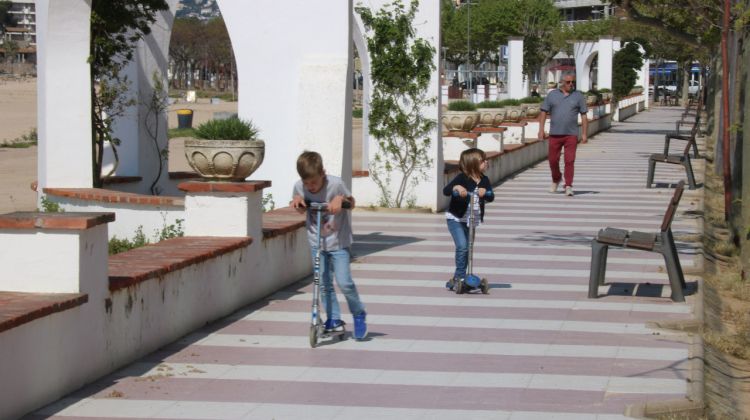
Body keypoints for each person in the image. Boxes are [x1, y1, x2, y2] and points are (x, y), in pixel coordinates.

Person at [291, 151, 367, 340]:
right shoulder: (300, 186)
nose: (311, 187)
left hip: (338, 243)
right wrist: (297, 202)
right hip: (316, 243)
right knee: (323, 284)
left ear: (323, 173)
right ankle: (333, 319)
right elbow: (298, 204)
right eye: (307, 183)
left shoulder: (336, 184)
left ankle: (359, 313)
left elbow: (352, 202)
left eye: (314, 182)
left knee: (344, 282)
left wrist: (341, 200)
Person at [442, 148, 495, 290]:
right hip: (456, 219)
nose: (486, 162)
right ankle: (460, 276)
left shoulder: (484, 180)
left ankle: (460, 277)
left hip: (472, 220)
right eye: (483, 160)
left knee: (469, 248)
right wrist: (457, 188)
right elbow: (446, 191)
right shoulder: (462, 178)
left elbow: (491, 196)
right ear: (473, 164)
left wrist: (486, 192)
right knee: (463, 246)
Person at [537, 73, 588, 197]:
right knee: (553, 160)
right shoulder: (552, 95)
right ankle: (556, 178)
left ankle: (568, 185)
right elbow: (543, 112)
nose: (571, 84)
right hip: (555, 134)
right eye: (568, 82)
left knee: (569, 161)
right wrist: (541, 130)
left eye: (572, 82)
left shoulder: (578, 96)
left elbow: (584, 115)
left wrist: (585, 133)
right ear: (562, 83)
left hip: (571, 134)